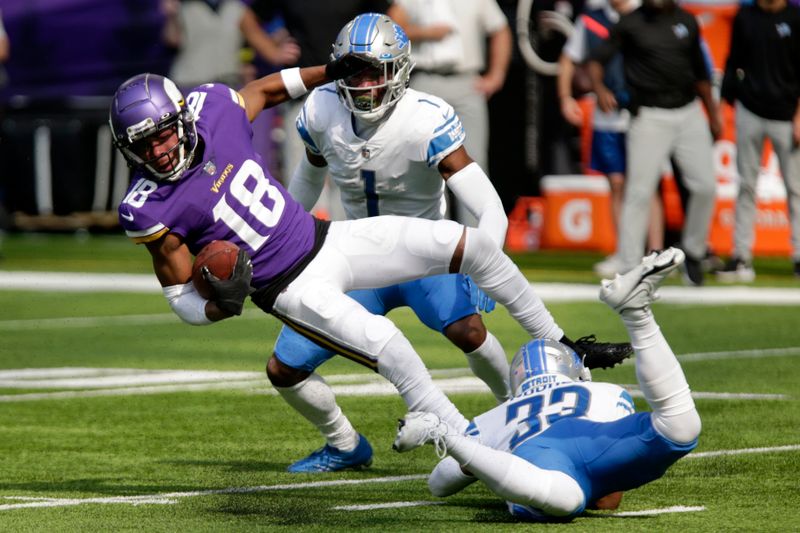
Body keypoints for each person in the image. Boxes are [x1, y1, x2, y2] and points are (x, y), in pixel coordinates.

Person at [109, 32, 631, 473]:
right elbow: (180, 296)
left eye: (160, 135)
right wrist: (220, 304)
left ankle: (564, 345)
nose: (157, 150)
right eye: (143, 144)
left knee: (463, 243)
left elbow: (268, 89)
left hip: (328, 239)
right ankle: (477, 447)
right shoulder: (146, 206)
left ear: (179, 118)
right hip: (289, 288)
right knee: (388, 344)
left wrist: (330, 69)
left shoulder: (211, 108)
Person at [271, 12, 511, 472]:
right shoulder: (321, 110)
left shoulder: (426, 118)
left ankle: (521, 414)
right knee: (284, 368)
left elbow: (488, 206)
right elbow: (305, 184)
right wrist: (279, 243)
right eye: (353, 71)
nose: (362, 84)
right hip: (353, 259)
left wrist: (488, 262)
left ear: (398, 70)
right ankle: (344, 443)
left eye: (373, 72)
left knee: (471, 333)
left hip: (425, 256)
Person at [394, 247, 701, 522]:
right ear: (572, 370)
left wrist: (481, 457)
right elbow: (610, 499)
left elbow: (439, 484)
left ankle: (445, 435)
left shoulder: (492, 421)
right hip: (588, 438)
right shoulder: (605, 392)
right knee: (680, 429)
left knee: (564, 498)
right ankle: (637, 313)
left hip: (539, 457)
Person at [587, 0, 723, 285]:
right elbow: (596, 60)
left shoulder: (687, 20)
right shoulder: (630, 23)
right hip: (649, 115)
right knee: (639, 191)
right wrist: (599, 89)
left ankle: (695, 252)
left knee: (705, 186)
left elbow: (701, 73)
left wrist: (712, 114)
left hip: (688, 111)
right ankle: (628, 265)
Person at [557, 0, 664, 278]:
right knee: (617, 183)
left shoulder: (649, 15)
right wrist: (566, 97)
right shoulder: (592, 19)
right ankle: (625, 251)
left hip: (644, 112)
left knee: (645, 183)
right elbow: (571, 58)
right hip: (608, 116)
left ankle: (656, 252)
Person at [387, 0, 512, 226]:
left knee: (474, 164)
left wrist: (497, 75)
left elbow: (500, 29)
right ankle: (432, 240)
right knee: (425, 163)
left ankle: (478, 242)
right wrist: (425, 33)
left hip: (466, 82)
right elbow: (390, 30)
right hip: (426, 79)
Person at [717, 0, 800, 282]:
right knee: (746, 185)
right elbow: (733, 60)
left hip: (787, 114)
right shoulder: (746, 17)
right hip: (750, 109)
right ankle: (741, 257)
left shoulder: (795, 17)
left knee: (795, 187)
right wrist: (728, 100)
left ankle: (799, 256)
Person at [162, 0, 300, 91]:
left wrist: (277, 46)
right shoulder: (185, 7)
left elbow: (254, 42)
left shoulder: (237, 9)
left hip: (227, 85)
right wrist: (171, 16)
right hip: (190, 84)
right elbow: (173, 41)